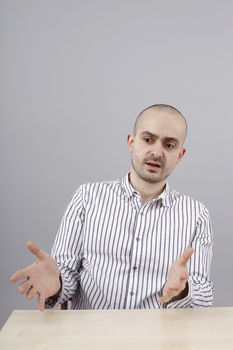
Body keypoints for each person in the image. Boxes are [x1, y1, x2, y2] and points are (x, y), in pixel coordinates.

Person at [10, 104, 214, 311]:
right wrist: (58, 282)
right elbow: (66, 273)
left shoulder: (196, 215)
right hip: (90, 338)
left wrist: (182, 290)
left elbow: (203, 293)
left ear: (180, 155)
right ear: (131, 142)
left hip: (157, 340)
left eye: (169, 145)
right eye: (147, 139)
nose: (157, 152)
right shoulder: (87, 197)